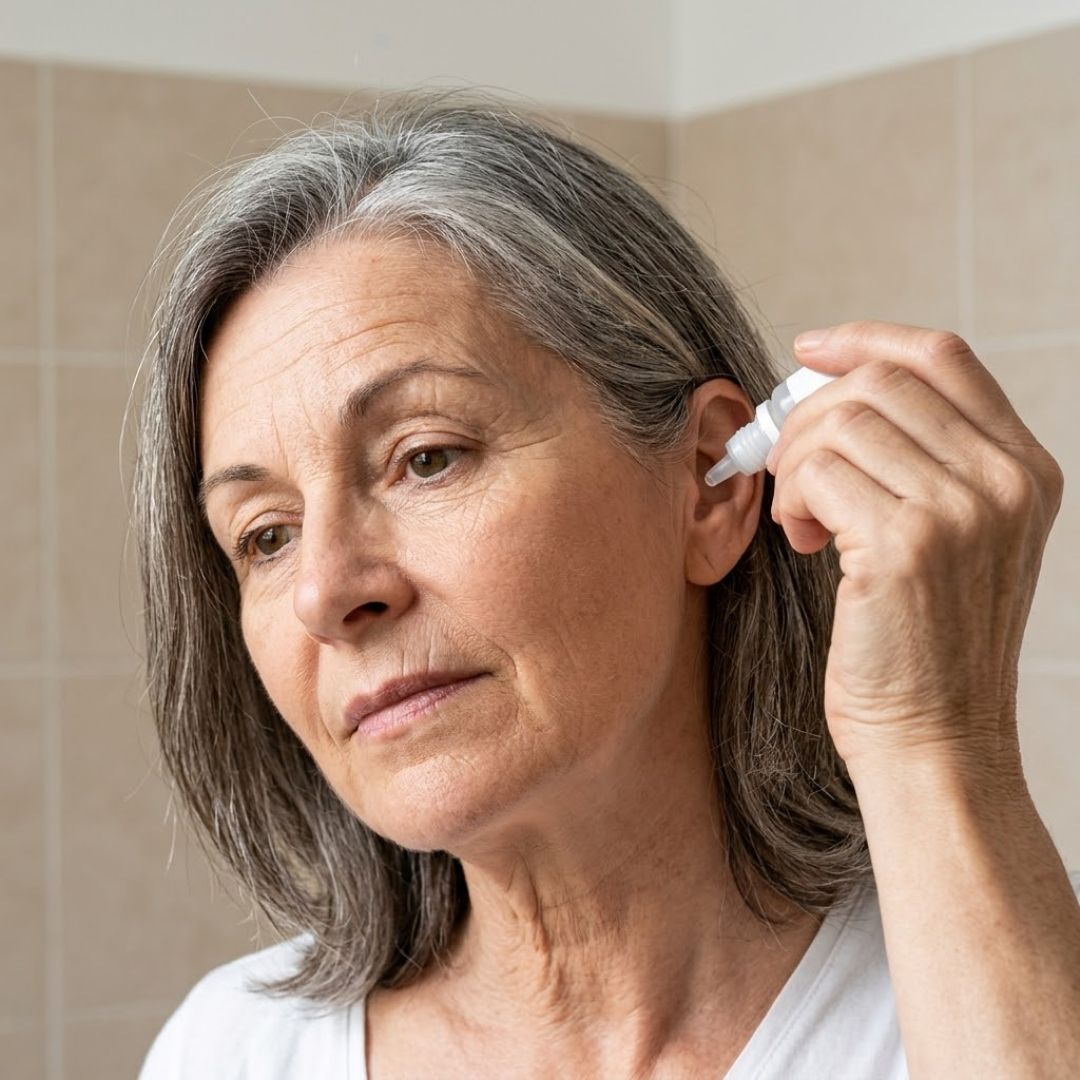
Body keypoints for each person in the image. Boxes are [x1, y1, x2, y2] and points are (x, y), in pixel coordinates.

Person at [135, 91, 1080, 1078]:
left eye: (427, 458)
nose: (326, 591)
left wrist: (934, 746)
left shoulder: (1008, 994)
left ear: (708, 482)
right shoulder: (230, 1051)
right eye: (266, 535)